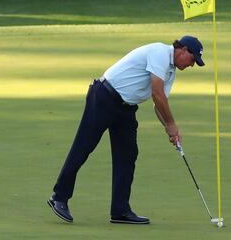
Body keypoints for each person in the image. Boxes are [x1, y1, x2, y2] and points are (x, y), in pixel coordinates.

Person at [47, 36, 205, 225]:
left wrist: (170, 130)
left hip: (126, 108)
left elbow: (159, 105)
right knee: (83, 147)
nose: (192, 64)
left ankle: (120, 210)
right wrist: (172, 124)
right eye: (193, 59)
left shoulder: (170, 72)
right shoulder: (160, 53)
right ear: (183, 49)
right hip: (104, 97)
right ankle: (59, 197)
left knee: (127, 155)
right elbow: (157, 93)